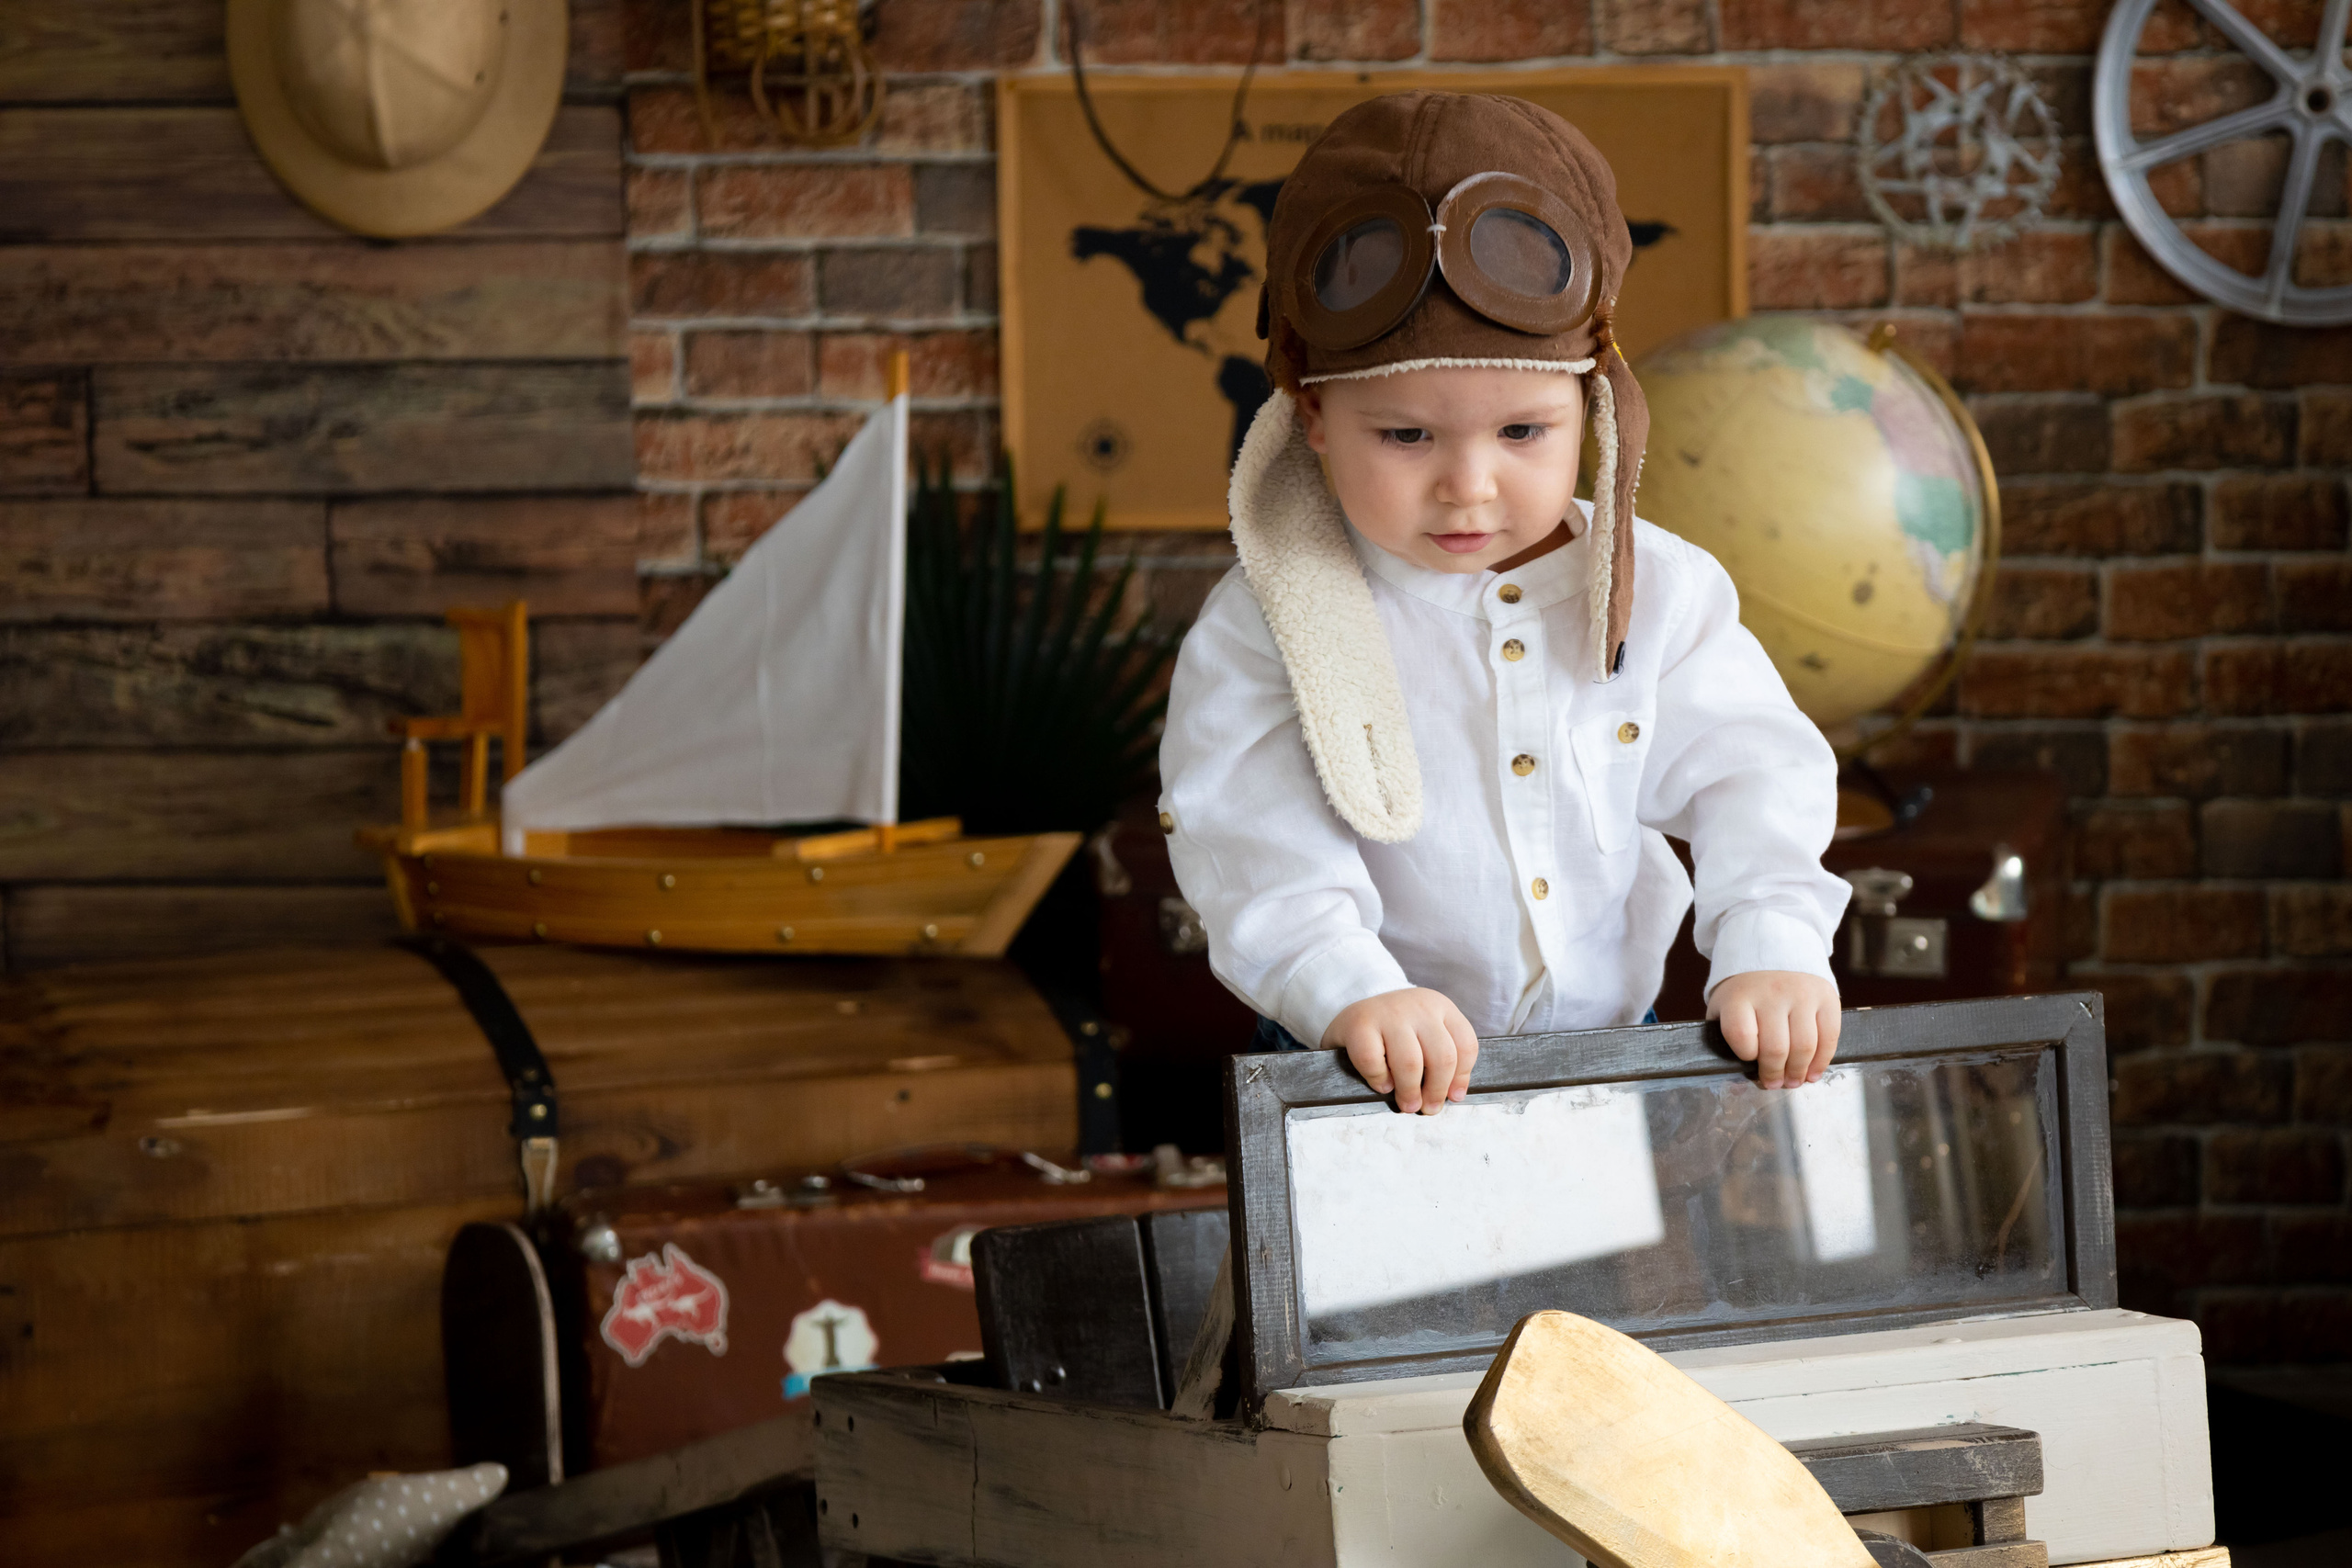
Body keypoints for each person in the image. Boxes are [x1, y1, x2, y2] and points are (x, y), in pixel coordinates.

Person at [1158, 92, 1852, 1114]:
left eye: (1522, 432)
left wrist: (1771, 943)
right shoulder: (1273, 620)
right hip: (1369, 1074)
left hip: (1618, 1056)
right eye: (1405, 437)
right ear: (1312, 418)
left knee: (1620, 1278)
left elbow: (1752, 776)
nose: (1468, 484)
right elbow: (1249, 841)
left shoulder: (1661, 591)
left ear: (1593, 406)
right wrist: (1354, 992)